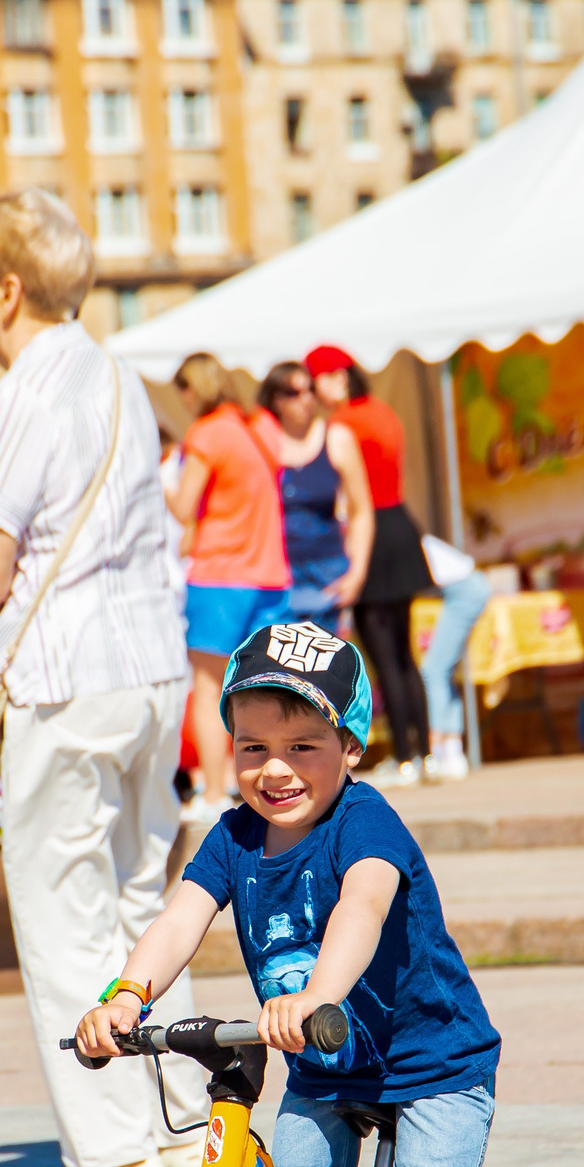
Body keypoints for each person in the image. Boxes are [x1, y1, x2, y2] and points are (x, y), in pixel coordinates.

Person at [74, 622, 505, 1167]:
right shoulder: (234, 837)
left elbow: (363, 908)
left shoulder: (365, 821)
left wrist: (319, 993)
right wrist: (127, 996)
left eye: (304, 745)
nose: (277, 768)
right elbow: (182, 918)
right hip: (326, 1064)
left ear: (350, 746)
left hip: (432, 1060)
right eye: (253, 747)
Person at [0, 187, 203, 1167]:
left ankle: (112, 1148)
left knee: (60, 908)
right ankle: (180, 1126)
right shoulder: (118, 378)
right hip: (149, 669)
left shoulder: (19, 396)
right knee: (147, 904)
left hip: (61, 674)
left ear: (8, 290)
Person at [166, 353, 289, 819]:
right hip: (271, 574)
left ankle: (214, 793)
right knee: (262, 687)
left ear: (192, 389)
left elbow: (182, 506)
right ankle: (271, 783)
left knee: (209, 685)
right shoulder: (261, 426)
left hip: (221, 576)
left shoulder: (207, 433)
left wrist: (159, 480)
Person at [310, 345, 436, 784]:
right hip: (402, 527)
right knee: (405, 654)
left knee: (384, 656)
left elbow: (349, 497)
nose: (313, 391)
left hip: (373, 536)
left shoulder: (342, 426)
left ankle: (404, 755)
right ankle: (426, 754)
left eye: (318, 380)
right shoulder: (383, 411)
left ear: (339, 377)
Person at [259, 361, 374, 641]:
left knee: (327, 671)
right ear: (276, 401)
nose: (306, 399)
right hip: (280, 578)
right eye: (294, 393)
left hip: (328, 574)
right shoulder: (263, 443)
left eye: (310, 390)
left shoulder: (336, 438)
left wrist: (356, 573)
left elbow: (361, 511)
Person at [418, 532, 490, 780]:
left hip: (464, 590)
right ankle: (452, 749)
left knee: (433, 670)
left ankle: (439, 749)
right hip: (466, 587)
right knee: (442, 670)